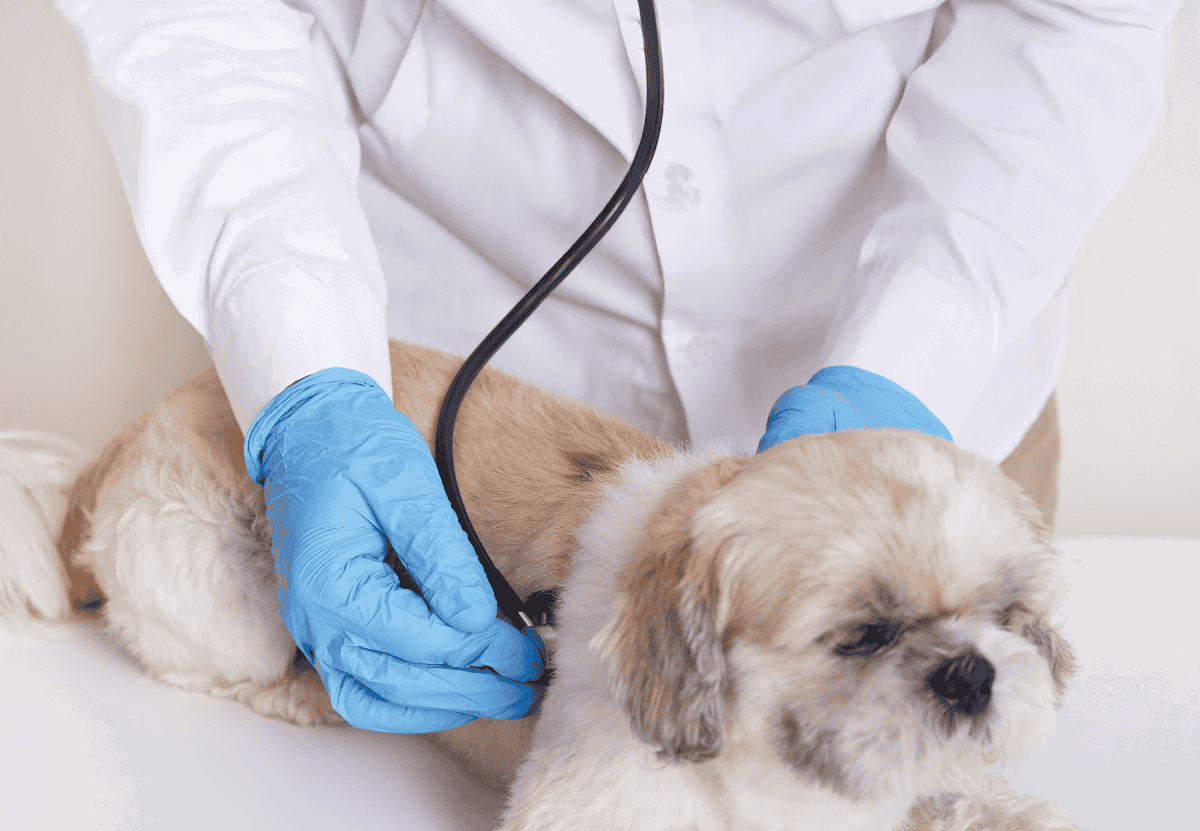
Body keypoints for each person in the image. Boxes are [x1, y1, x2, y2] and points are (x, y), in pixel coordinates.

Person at [59, 0, 1175, 733]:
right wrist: (304, 368)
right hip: (459, 422)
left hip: (931, 362)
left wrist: (916, 348)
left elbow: (1076, 23)